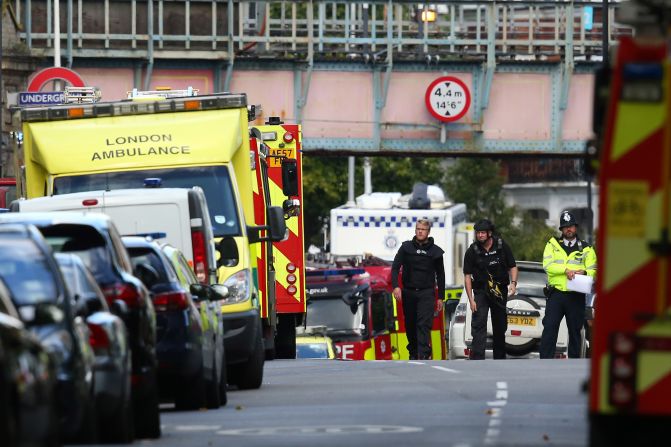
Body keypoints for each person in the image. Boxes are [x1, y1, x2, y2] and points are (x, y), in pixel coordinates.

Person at [540, 211, 596, 359]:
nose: (568, 229)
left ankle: (574, 363)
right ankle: (544, 362)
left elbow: (594, 270)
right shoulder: (552, 245)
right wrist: (566, 270)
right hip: (556, 294)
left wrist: (583, 272)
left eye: (571, 226)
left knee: (575, 331)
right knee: (550, 329)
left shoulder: (586, 248)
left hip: (576, 295)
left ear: (575, 227)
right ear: (561, 229)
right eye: (565, 227)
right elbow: (548, 266)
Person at [463, 219, 518, 360]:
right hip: (481, 292)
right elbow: (467, 276)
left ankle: (499, 359)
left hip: (499, 291)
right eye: (478, 233)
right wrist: (471, 300)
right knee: (479, 325)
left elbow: (512, 266)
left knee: (500, 327)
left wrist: (513, 283)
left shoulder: (501, 246)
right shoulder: (472, 251)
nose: (480, 235)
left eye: (482, 233)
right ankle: (478, 359)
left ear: (489, 233)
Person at [391, 218, 445, 360]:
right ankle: (414, 352)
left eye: (423, 229)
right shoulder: (406, 248)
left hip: (427, 293)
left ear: (428, 232)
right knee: (410, 324)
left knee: (423, 323)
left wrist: (440, 297)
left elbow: (441, 275)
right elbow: (395, 267)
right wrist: (396, 286)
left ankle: (423, 353)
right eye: (418, 229)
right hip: (408, 292)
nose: (420, 232)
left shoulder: (436, 252)